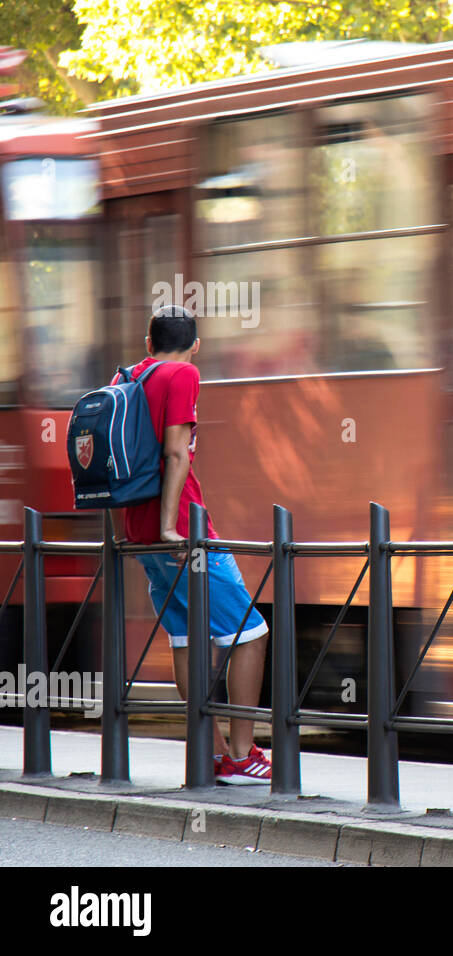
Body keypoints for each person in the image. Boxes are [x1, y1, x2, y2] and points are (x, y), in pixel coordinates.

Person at [112, 305, 271, 785]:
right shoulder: (182, 373)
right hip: (181, 530)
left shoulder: (128, 376)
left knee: (186, 637)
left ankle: (210, 752)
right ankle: (242, 756)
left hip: (139, 533)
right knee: (250, 632)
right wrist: (169, 527)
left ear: (147, 341)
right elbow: (176, 450)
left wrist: (147, 530)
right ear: (195, 344)